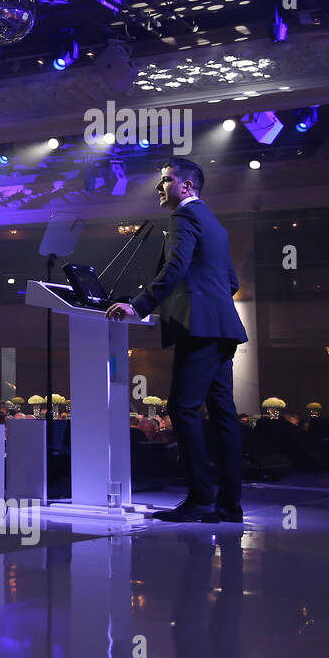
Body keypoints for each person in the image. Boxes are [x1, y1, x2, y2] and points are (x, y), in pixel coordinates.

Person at [106, 159, 247, 523]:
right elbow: (230, 280)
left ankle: (201, 499)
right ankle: (229, 505)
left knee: (183, 409)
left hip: (198, 329)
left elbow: (175, 268)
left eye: (165, 181)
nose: (159, 187)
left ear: (186, 187)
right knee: (223, 415)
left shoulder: (183, 218)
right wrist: (198, 296)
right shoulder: (213, 222)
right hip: (223, 328)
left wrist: (139, 305)